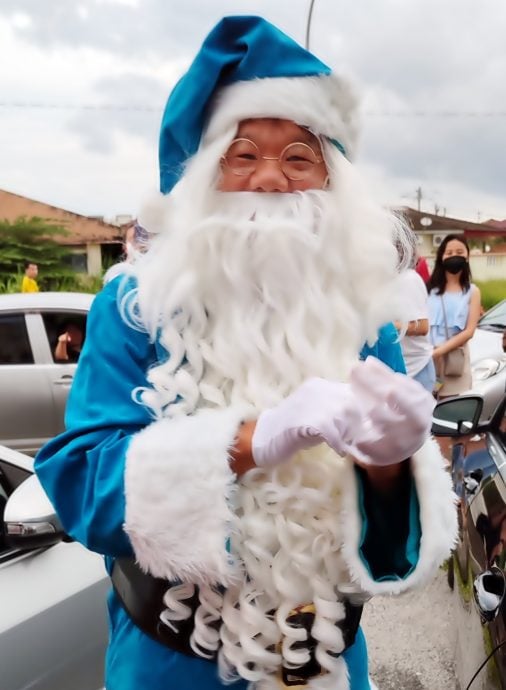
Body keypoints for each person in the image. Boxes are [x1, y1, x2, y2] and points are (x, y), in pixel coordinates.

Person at [35, 16, 457, 690]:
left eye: (298, 156)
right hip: (170, 670)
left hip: (325, 664)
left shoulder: (363, 318)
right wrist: (251, 440)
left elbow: (389, 559)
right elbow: (82, 486)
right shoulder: (137, 308)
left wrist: (389, 468)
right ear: (207, 177)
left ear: (331, 180)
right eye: (243, 154)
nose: (271, 180)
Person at [427, 234, 481, 398]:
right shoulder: (428, 290)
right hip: (427, 361)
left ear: (467, 256)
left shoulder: (472, 291)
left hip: (453, 364)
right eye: (449, 253)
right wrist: (430, 353)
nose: (454, 256)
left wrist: (440, 351)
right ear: (441, 257)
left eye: (459, 251)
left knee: (450, 413)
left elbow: (469, 331)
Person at [396, 266, 436, 393]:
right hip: (396, 368)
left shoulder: (409, 279)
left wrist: (386, 326)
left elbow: (422, 326)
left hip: (417, 369)